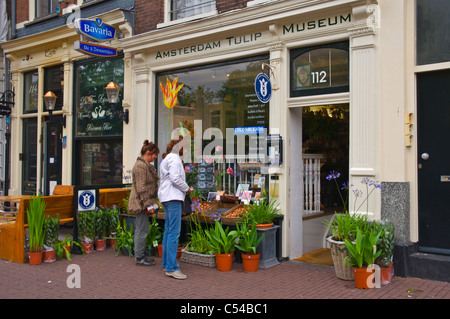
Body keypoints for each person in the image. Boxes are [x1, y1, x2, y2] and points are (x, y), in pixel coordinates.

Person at [158, 138, 190, 280]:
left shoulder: (166, 158)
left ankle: (166, 263)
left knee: (168, 230)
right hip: (173, 197)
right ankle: (171, 267)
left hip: (165, 197)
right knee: (174, 232)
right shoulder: (175, 159)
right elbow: (175, 179)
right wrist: (187, 188)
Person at [128, 140, 160, 266]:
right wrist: (149, 205)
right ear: (148, 152)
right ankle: (140, 257)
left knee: (142, 229)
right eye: (154, 154)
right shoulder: (141, 166)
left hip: (143, 202)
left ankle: (140, 255)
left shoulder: (144, 165)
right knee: (142, 230)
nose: (156, 157)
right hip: (141, 204)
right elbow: (141, 188)